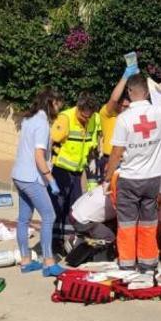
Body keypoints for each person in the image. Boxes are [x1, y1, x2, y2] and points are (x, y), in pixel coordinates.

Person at [105, 74, 161, 272]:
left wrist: (108, 177)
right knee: (148, 222)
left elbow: (116, 152)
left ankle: (127, 265)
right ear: (147, 92)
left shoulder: (124, 119)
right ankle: (148, 262)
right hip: (152, 179)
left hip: (129, 178)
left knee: (126, 224)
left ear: (129, 92)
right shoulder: (159, 111)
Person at [10, 87, 66, 277]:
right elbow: (39, 157)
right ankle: (49, 262)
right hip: (32, 177)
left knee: (23, 219)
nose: (59, 109)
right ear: (51, 102)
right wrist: (51, 180)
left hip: (19, 175)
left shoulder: (28, 119)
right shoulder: (42, 124)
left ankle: (26, 261)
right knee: (49, 216)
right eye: (58, 104)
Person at [49, 92, 101, 255]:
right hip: (61, 171)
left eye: (89, 117)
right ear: (77, 108)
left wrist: (93, 180)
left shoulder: (95, 119)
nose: (86, 120)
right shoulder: (65, 118)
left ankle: (69, 242)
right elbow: (52, 143)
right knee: (58, 207)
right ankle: (54, 241)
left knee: (75, 209)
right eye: (83, 116)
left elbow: (93, 148)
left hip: (78, 173)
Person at [97, 63, 138, 184]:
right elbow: (114, 99)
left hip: (127, 161)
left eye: (128, 106)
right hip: (110, 159)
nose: (126, 109)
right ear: (118, 106)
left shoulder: (132, 118)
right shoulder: (108, 115)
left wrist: (137, 82)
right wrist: (125, 77)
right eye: (124, 106)